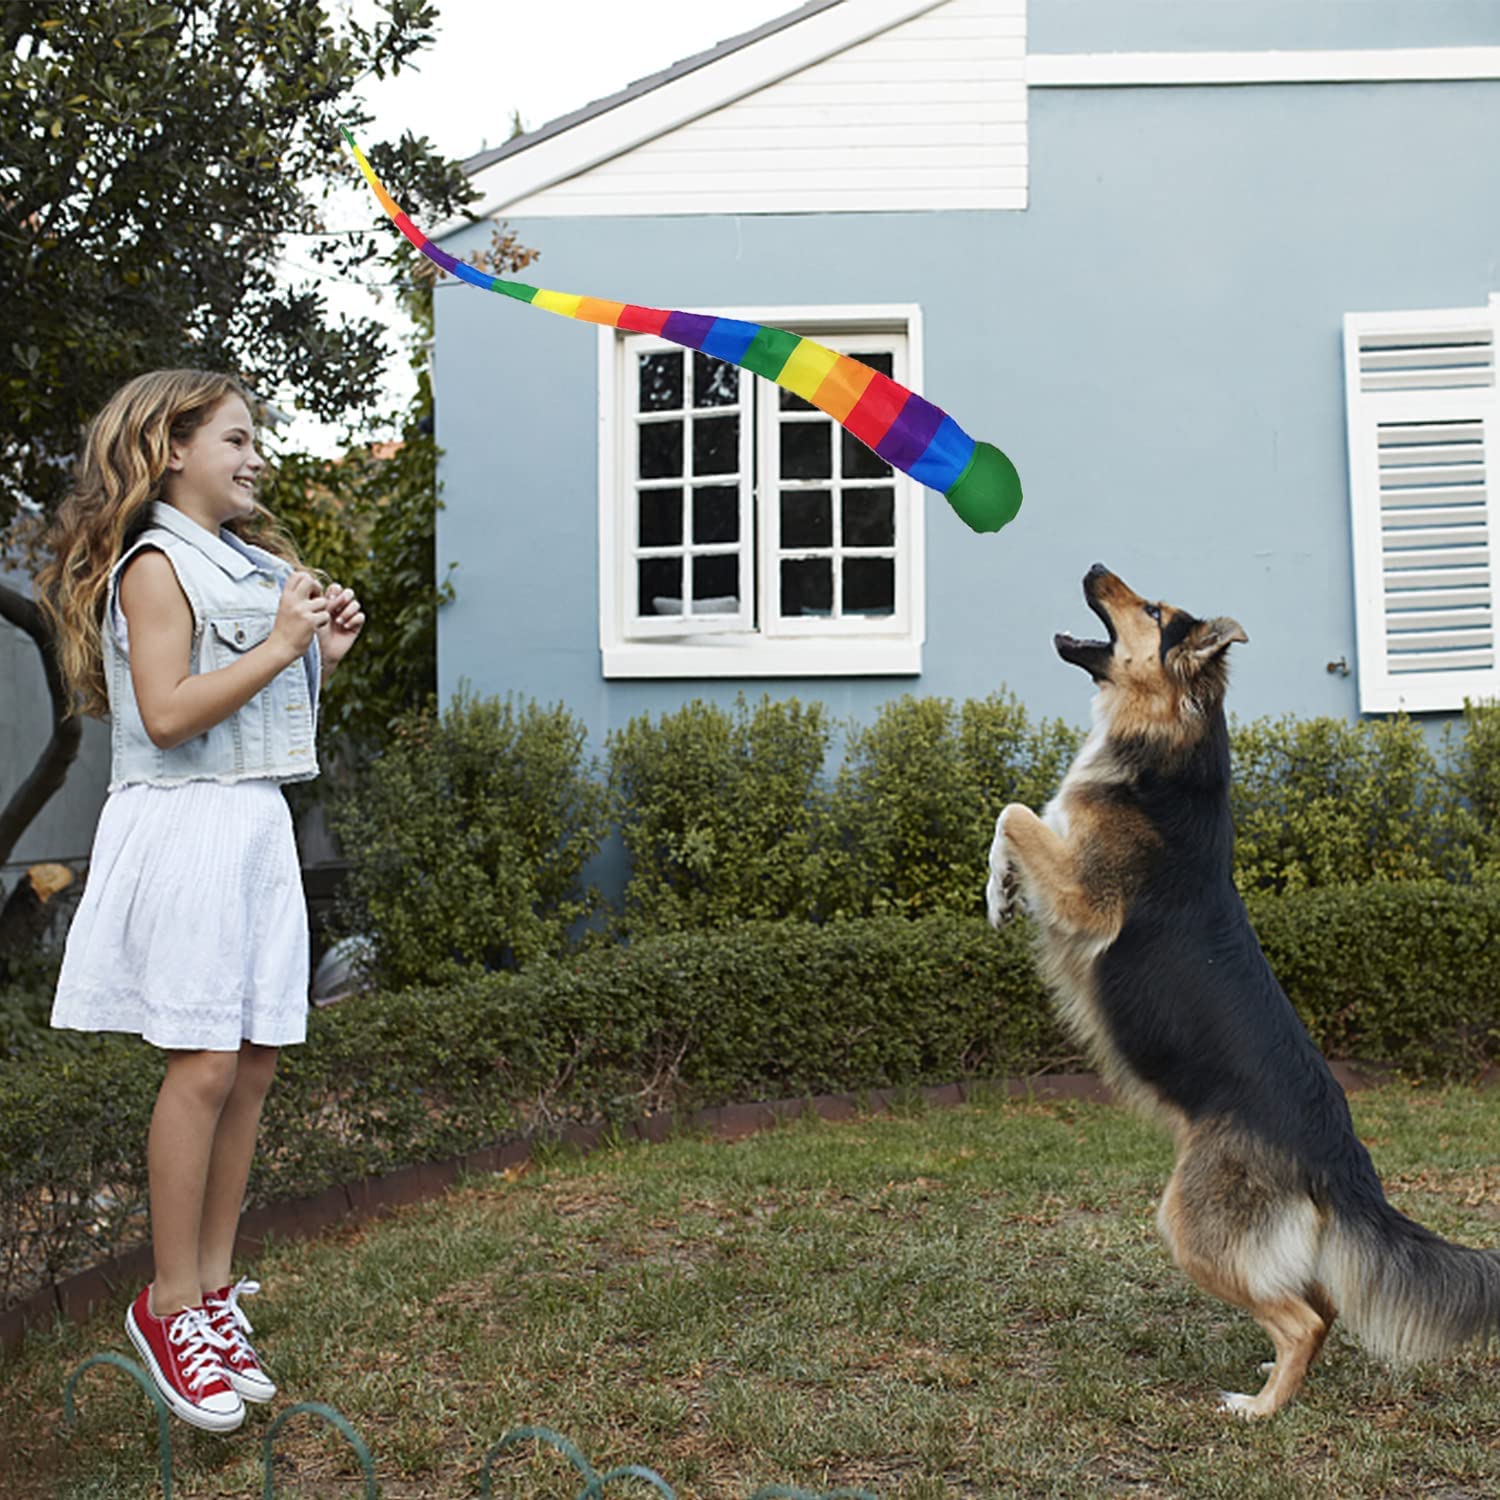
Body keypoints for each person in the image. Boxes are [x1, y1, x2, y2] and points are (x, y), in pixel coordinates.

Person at [37, 370, 365, 1433]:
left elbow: (263, 713)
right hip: (183, 825)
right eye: (235, 437)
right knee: (205, 1063)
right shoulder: (154, 564)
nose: (254, 453)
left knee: (256, 1057)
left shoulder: (256, 564)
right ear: (172, 450)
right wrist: (278, 642)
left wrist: (320, 658)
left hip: (255, 825)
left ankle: (215, 1293)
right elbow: (170, 716)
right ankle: (167, 1300)